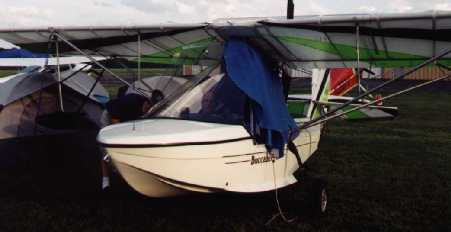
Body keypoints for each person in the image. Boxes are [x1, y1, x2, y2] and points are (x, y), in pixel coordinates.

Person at [99, 91, 160, 190]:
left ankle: (128, 173)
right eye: (150, 107)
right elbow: (115, 119)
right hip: (110, 115)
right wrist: (119, 135)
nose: (149, 111)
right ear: (147, 102)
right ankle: (105, 180)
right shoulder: (131, 102)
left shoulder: (147, 111)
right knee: (106, 148)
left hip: (124, 121)